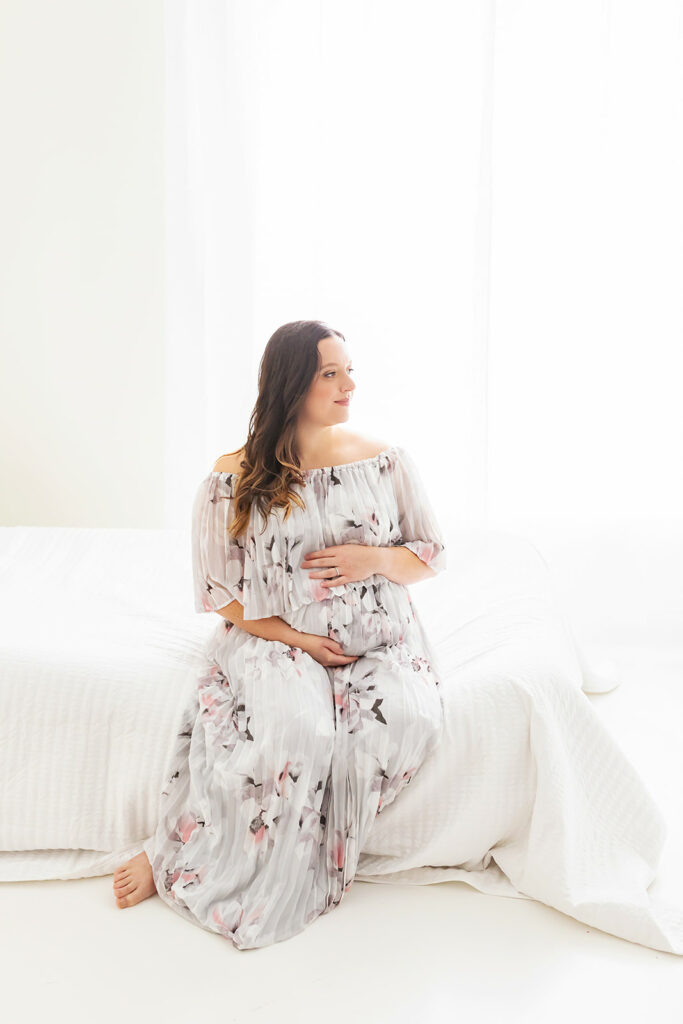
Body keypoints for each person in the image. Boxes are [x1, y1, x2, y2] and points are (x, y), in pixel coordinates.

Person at [112, 320, 447, 949]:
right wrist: (300, 641)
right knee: (295, 731)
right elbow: (220, 596)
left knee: (405, 720)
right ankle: (173, 857)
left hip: (378, 643)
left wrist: (369, 560)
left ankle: (313, 861)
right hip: (274, 640)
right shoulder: (231, 478)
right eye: (331, 372)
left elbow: (429, 554)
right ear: (293, 382)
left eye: (350, 369)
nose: (350, 383)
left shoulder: (384, 459)